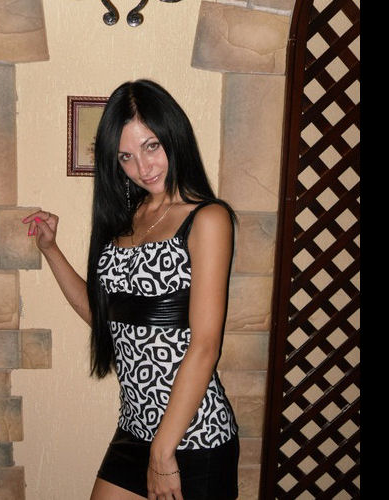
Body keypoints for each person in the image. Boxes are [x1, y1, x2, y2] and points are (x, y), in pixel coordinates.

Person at [22, 79, 239, 500]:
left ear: (173, 136)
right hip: (135, 429)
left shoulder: (207, 219)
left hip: (195, 435)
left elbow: (205, 346)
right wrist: (50, 250)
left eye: (151, 146)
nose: (143, 167)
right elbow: (103, 316)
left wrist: (162, 452)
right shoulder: (128, 216)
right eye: (126, 156)